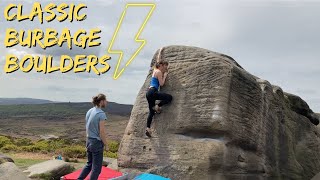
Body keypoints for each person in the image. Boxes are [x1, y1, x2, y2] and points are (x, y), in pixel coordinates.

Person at [77, 93, 109, 180]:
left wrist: (88, 140)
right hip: (96, 143)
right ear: (101, 101)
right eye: (105, 100)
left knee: (89, 164)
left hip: (89, 140)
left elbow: (87, 127)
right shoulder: (101, 114)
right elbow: (101, 132)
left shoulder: (90, 111)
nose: (106, 102)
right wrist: (106, 145)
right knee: (96, 169)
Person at [145, 49, 173, 137]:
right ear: (161, 66)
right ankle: (158, 106)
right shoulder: (159, 72)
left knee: (151, 112)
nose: (166, 68)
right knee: (169, 98)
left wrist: (160, 52)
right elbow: (161, 84)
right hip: (153, 92)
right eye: (165, 66)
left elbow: (158, 60)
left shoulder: (155, 70)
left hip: (148, 93)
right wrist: (164, 76)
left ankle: (148, 128)